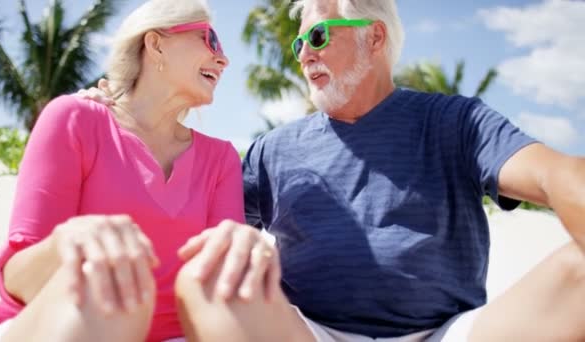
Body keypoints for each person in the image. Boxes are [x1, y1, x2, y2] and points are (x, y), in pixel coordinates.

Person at [169, 0, 585, 341]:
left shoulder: (456, 122)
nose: (305, 54)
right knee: (204, 280)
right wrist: (132, 126)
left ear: (374, 36)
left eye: (318, 36)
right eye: (298, 46)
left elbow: (554, 174)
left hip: (448, 334)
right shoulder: (273, 149)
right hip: (310, 334)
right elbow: (198, 229)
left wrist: (569, 182)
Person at [0, 0, 277, 341]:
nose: (223, 59)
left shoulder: (220, 158)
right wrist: (64, 244)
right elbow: (16, 281)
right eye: (209, 40)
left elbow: (222, 290)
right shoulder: (74, 119)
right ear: (156, 43)